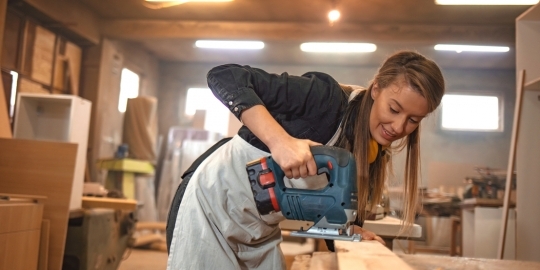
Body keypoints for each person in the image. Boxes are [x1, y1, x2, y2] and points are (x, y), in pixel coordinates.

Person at [166, 50, 445, 270]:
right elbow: (225, 76)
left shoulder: (370, 148)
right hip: (208, 208)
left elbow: (331, 216)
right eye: (394, 109)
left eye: (413, 120)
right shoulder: (325, 99)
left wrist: (349, 230)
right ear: (376, 90)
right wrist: (280, 142)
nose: (398, 127)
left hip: (256, 233)